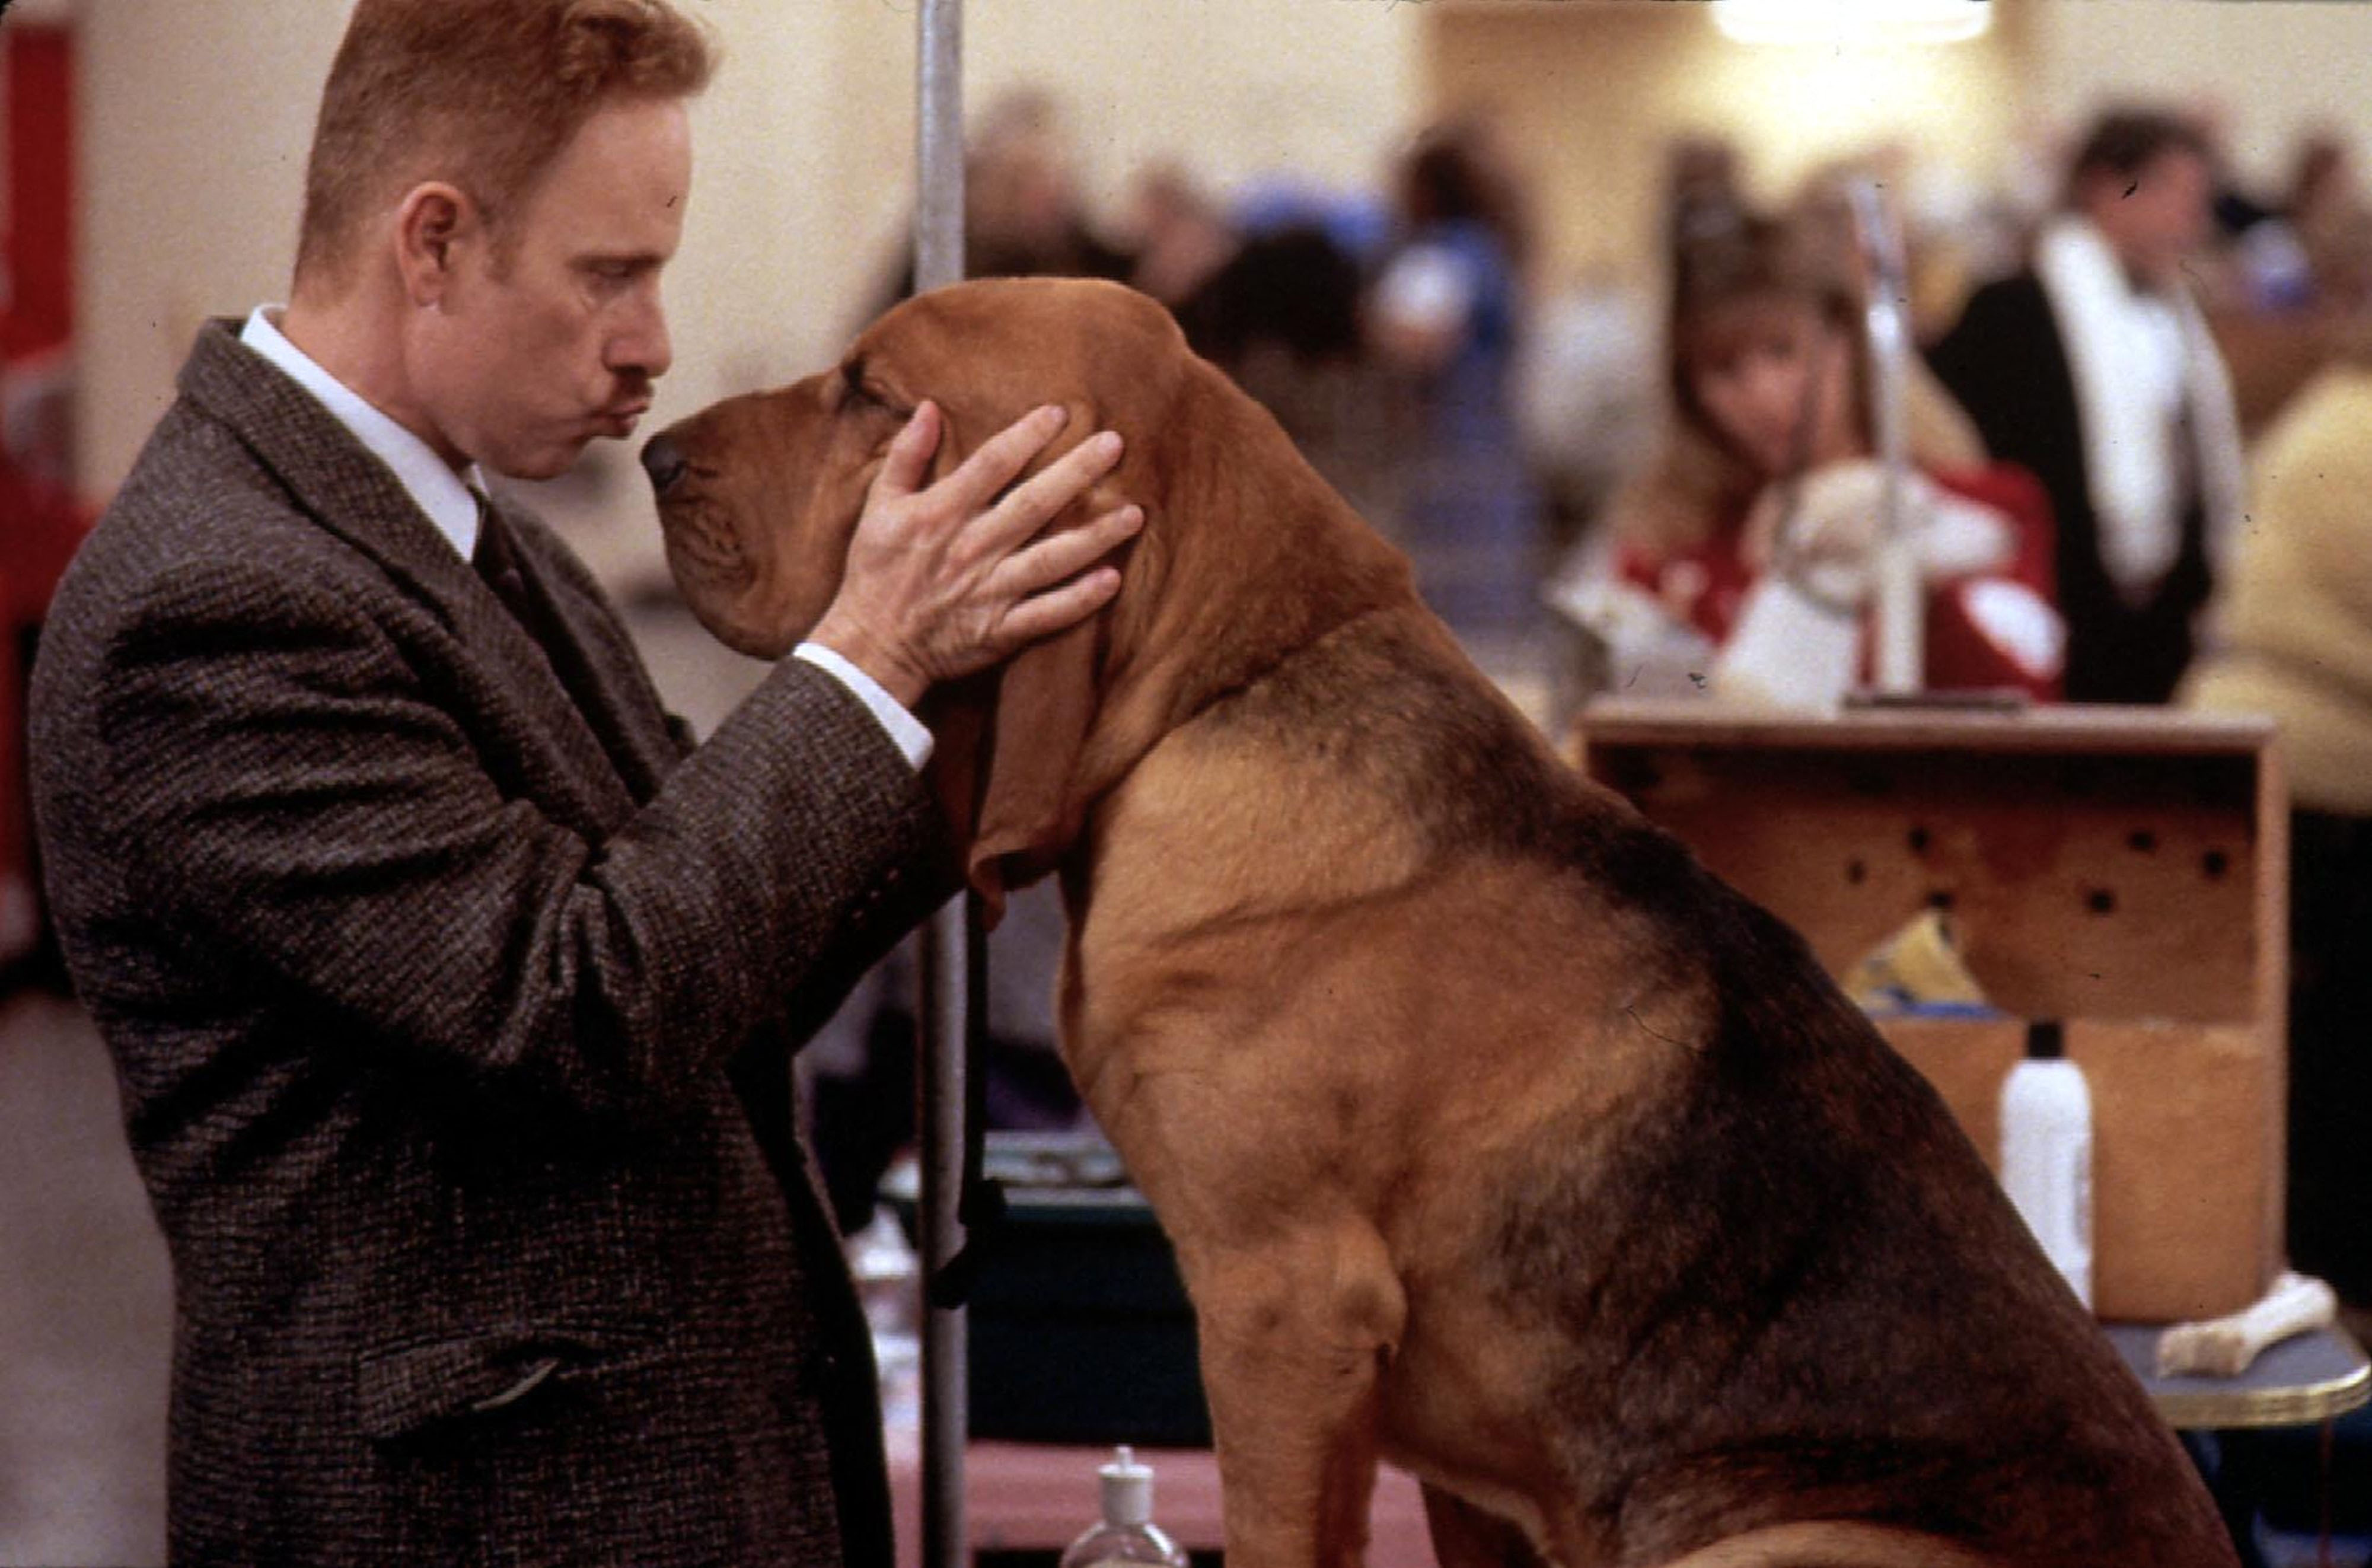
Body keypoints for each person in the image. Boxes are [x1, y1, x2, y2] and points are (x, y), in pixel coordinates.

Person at [25, 3, 1140, 1564]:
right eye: (610, 275)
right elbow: (584, 1003)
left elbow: (730, 963)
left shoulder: (478, 542)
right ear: (432, 242)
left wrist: (987, 718)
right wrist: (877, 649)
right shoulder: (214, 600)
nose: (652, 344)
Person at [1550, 215, 2062, 713]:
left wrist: (1920, 590)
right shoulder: (1668, 542)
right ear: (1690, 391)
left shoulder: (1986, 510)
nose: (1762, 394)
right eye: (1724, 369)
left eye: (1783, 351)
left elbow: (2026, 699)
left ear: (1847, 342)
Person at [1929, 107, 2245, 705]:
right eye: (2174, 194)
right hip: (2062, 613)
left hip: (2161, 624)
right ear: (2105, 188)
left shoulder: (2173, 314)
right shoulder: (2011, 308)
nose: (2193, 220)